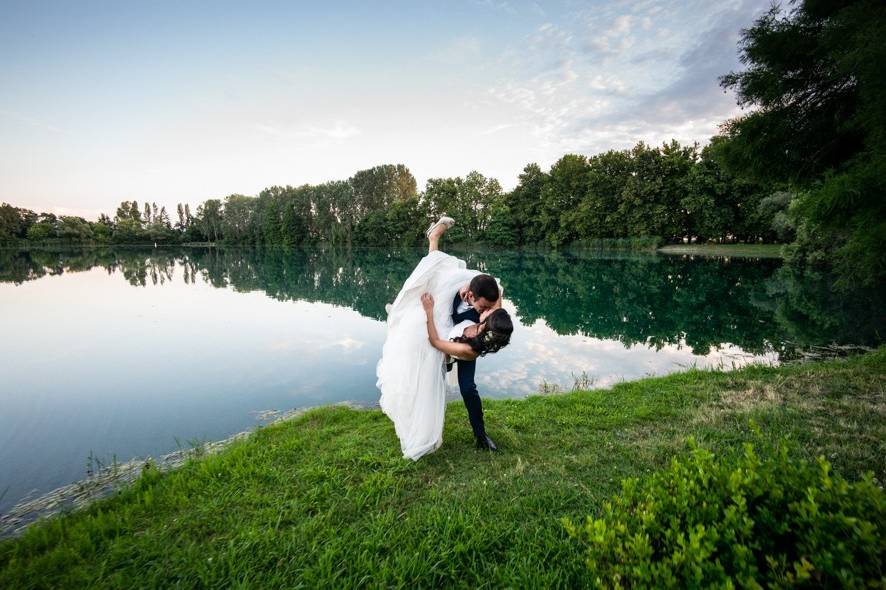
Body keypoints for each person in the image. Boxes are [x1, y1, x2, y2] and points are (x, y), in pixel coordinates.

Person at [376, 217, 513, 460]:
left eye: (489, 308)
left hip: (469, 340)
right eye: (483, 306)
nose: (486, 311)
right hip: (443, 328)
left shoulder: (492, 300)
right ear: (470, 295)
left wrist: (485, 321)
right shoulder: (453, 286)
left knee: (468, 388)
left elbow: (495, 306)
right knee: (426, 369)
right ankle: (434, 237)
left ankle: (481, 436)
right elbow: (433, 273)